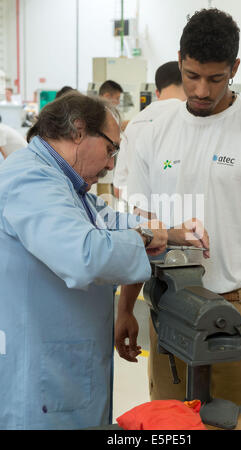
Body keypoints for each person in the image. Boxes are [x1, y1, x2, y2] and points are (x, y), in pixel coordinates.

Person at [115, 8, 241, 406]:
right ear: (180, 59)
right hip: (171, 312)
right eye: (192, 76)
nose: (201, 90)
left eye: (215, 79)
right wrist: (126, 306)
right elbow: (141, 227)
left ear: (234, 68)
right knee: (173, 425)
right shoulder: (151, 131)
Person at [0, 91, 168, 430]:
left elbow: (103, 219)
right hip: (44, 377)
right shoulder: (31, 178)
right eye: (110, 150)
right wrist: (147, 238)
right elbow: (84, 254)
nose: (110, 165)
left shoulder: (61, 181)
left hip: (67, 364)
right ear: (78, 131)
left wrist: (171, 232)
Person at [113, 61, 186, 200]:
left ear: (157, 92)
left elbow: (118, 189)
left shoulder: (134, 123)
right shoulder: (191, 121)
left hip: (140, 216)